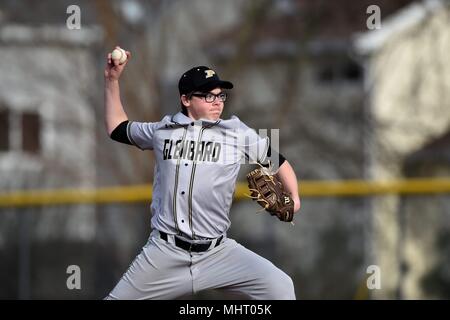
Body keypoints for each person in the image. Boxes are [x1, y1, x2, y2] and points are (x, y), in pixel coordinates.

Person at [103, 47, 301, 300]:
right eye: (208, 96)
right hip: (165, 252)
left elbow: (279, 161)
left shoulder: (237, 133)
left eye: (220, 95)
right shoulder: (163, 131)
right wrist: (112, 80)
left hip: (218, 252)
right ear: (186, 100)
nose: (217, 101)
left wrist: (294, 198)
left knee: (281, 286)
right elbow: (117, 128)